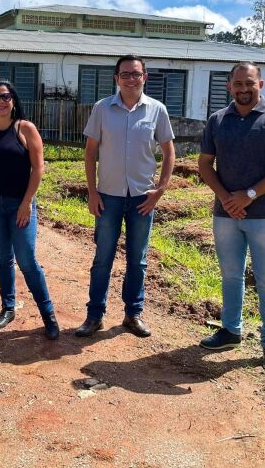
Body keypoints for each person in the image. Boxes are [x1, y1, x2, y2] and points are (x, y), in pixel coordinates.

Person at [198, 61, 265, 373]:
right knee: (231, 275)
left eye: (249, 83)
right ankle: (231, 330)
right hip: (226, 214)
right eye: (238, 84)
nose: (243, 89)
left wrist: (250, 194)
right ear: (229, 86)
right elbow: (204, 165)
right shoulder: (218, 120)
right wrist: (227, 199)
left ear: (261, 84)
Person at [75, 55, 175, 338]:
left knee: (137, 260)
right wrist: (92, 193)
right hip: (108, 197)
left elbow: (169, 152)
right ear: (116, 78)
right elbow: (90, 152)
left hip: (143, 198)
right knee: (102, 258)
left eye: (136, 74)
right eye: (125, 74)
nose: (131, 79)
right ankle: (94, 316)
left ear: (145, 77)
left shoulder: (157, 110)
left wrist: (161, 189)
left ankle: (133, 314)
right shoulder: (102, 109)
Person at [0, 79, 59, 340]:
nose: (1, 101)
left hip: (20, 205)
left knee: (27, 260)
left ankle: (48, 315)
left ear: (14, 100)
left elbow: (38, 168)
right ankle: (8, 307)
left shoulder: (25, 129)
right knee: (3, 258)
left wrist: (27, 202)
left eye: (6, 96)